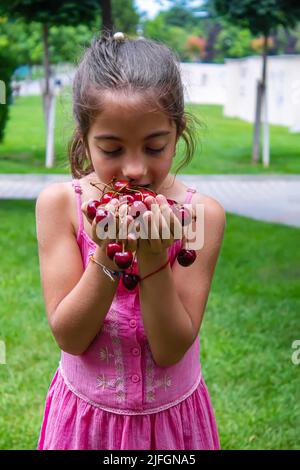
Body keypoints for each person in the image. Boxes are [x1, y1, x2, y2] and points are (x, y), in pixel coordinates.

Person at [35, 31, 226, 451]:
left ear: (178, 133)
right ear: (84, 138)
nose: (135, 168)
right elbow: (70, 337)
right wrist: (107, 255)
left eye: (155, 146)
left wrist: (154, 260)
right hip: (86, 420)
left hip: (172, 425)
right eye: (112, 148)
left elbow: (172, 347)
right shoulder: (61, 206)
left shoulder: (199, 216)